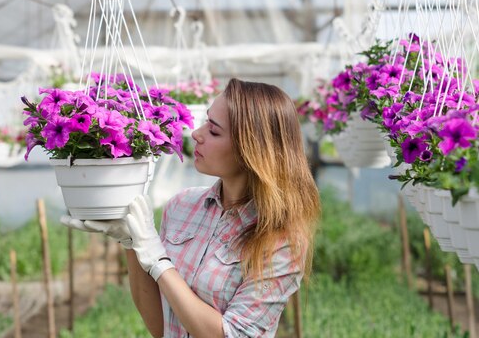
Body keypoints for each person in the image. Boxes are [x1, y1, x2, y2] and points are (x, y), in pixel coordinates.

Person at [62, 78, 320, 337]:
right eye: (207, 120)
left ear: (251, 150)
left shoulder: (282, 239)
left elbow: (232, 334)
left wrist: (159, 262)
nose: (197, 133)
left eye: (214, 131)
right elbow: (161, 326)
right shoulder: (182, 207)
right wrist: (132, 244)